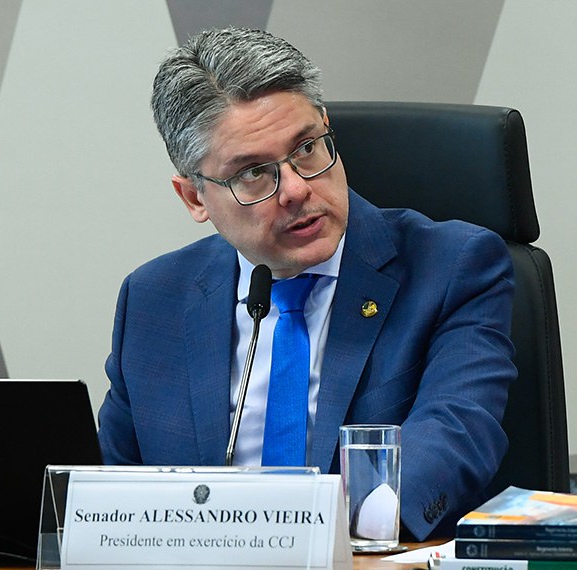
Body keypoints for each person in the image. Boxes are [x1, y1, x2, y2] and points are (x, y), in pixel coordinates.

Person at [97, 26, 517, 541]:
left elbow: (456, 433)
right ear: (195, 198)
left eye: (307, 149)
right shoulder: (153, 298)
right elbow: (109, 495)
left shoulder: (450, 268)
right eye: (253, 172)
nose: (296, 189)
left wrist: (300, 534)